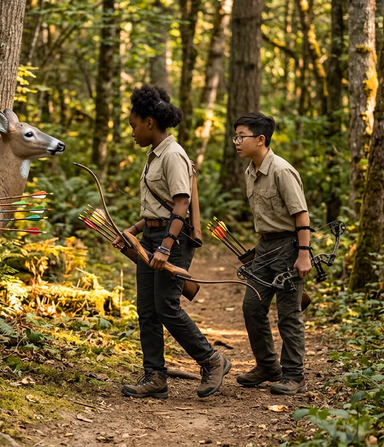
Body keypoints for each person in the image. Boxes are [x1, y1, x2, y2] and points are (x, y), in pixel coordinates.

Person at [112, 84, 231, 399]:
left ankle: (212, 360)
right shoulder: (154, 155)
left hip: (173, 240)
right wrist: (134, 231)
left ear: (150, 122)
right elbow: (158, 206)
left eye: (134, 125)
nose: (133, 132)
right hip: (152, 235)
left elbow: (181, 204)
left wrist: (165, 246)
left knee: (166, 305)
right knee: (147, 308)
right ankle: (155, 376)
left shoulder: (173, 154)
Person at [232, 112, 311, 395]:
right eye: (236, 137)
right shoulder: (249, 171)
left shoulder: (281, 171)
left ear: (261, 139)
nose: (237, 142)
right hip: (264, 248)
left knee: (288, 313)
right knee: (252, 307)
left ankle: (295, 376)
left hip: (289, 246)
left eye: (242, 136)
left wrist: (303, 254)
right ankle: (267, 367)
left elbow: (301, 216)